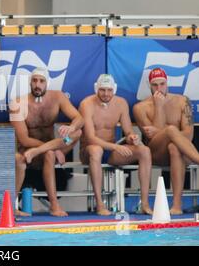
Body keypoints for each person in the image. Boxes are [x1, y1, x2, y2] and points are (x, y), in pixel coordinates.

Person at [9, 68, 84, 217]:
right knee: (49, 153)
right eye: (35, 81)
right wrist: (51, 149)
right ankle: (54, 206)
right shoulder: (18, 103)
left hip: (57, 147)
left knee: (77, 132)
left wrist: (71, 127)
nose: (38, 84)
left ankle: (50, 149)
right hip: (30, 152)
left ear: (47, 83)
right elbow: (24, 139)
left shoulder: (58, 97)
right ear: (30, 83)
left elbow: (79, 119)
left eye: (41, 81)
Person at [79, 74, 153, 216]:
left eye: (109, 90)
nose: (106, 94)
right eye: (102, 90)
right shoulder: (86, 104)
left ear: (114, 89)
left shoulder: (121, 103)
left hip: (111, 152)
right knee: (96, 150)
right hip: (88, 151)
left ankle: (144, 204)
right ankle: (100, 205)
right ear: (96, 89)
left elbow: (128, 130)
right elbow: (90, 138)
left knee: (144, 151)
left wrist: (132, 138)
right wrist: (115, 146)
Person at [133, 67, 199, 215]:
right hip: (156, 153)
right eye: (155, 85)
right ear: (149, 86)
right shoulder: (140, 108)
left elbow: (189, 136)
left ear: (167, 83)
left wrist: (163, 132)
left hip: (182, 151)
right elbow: (152, 138)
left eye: (162, 84)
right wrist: (159, 107)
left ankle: (176, 206)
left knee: (174, 147)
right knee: (171, 130)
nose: (159, 88)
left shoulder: (182, 101)